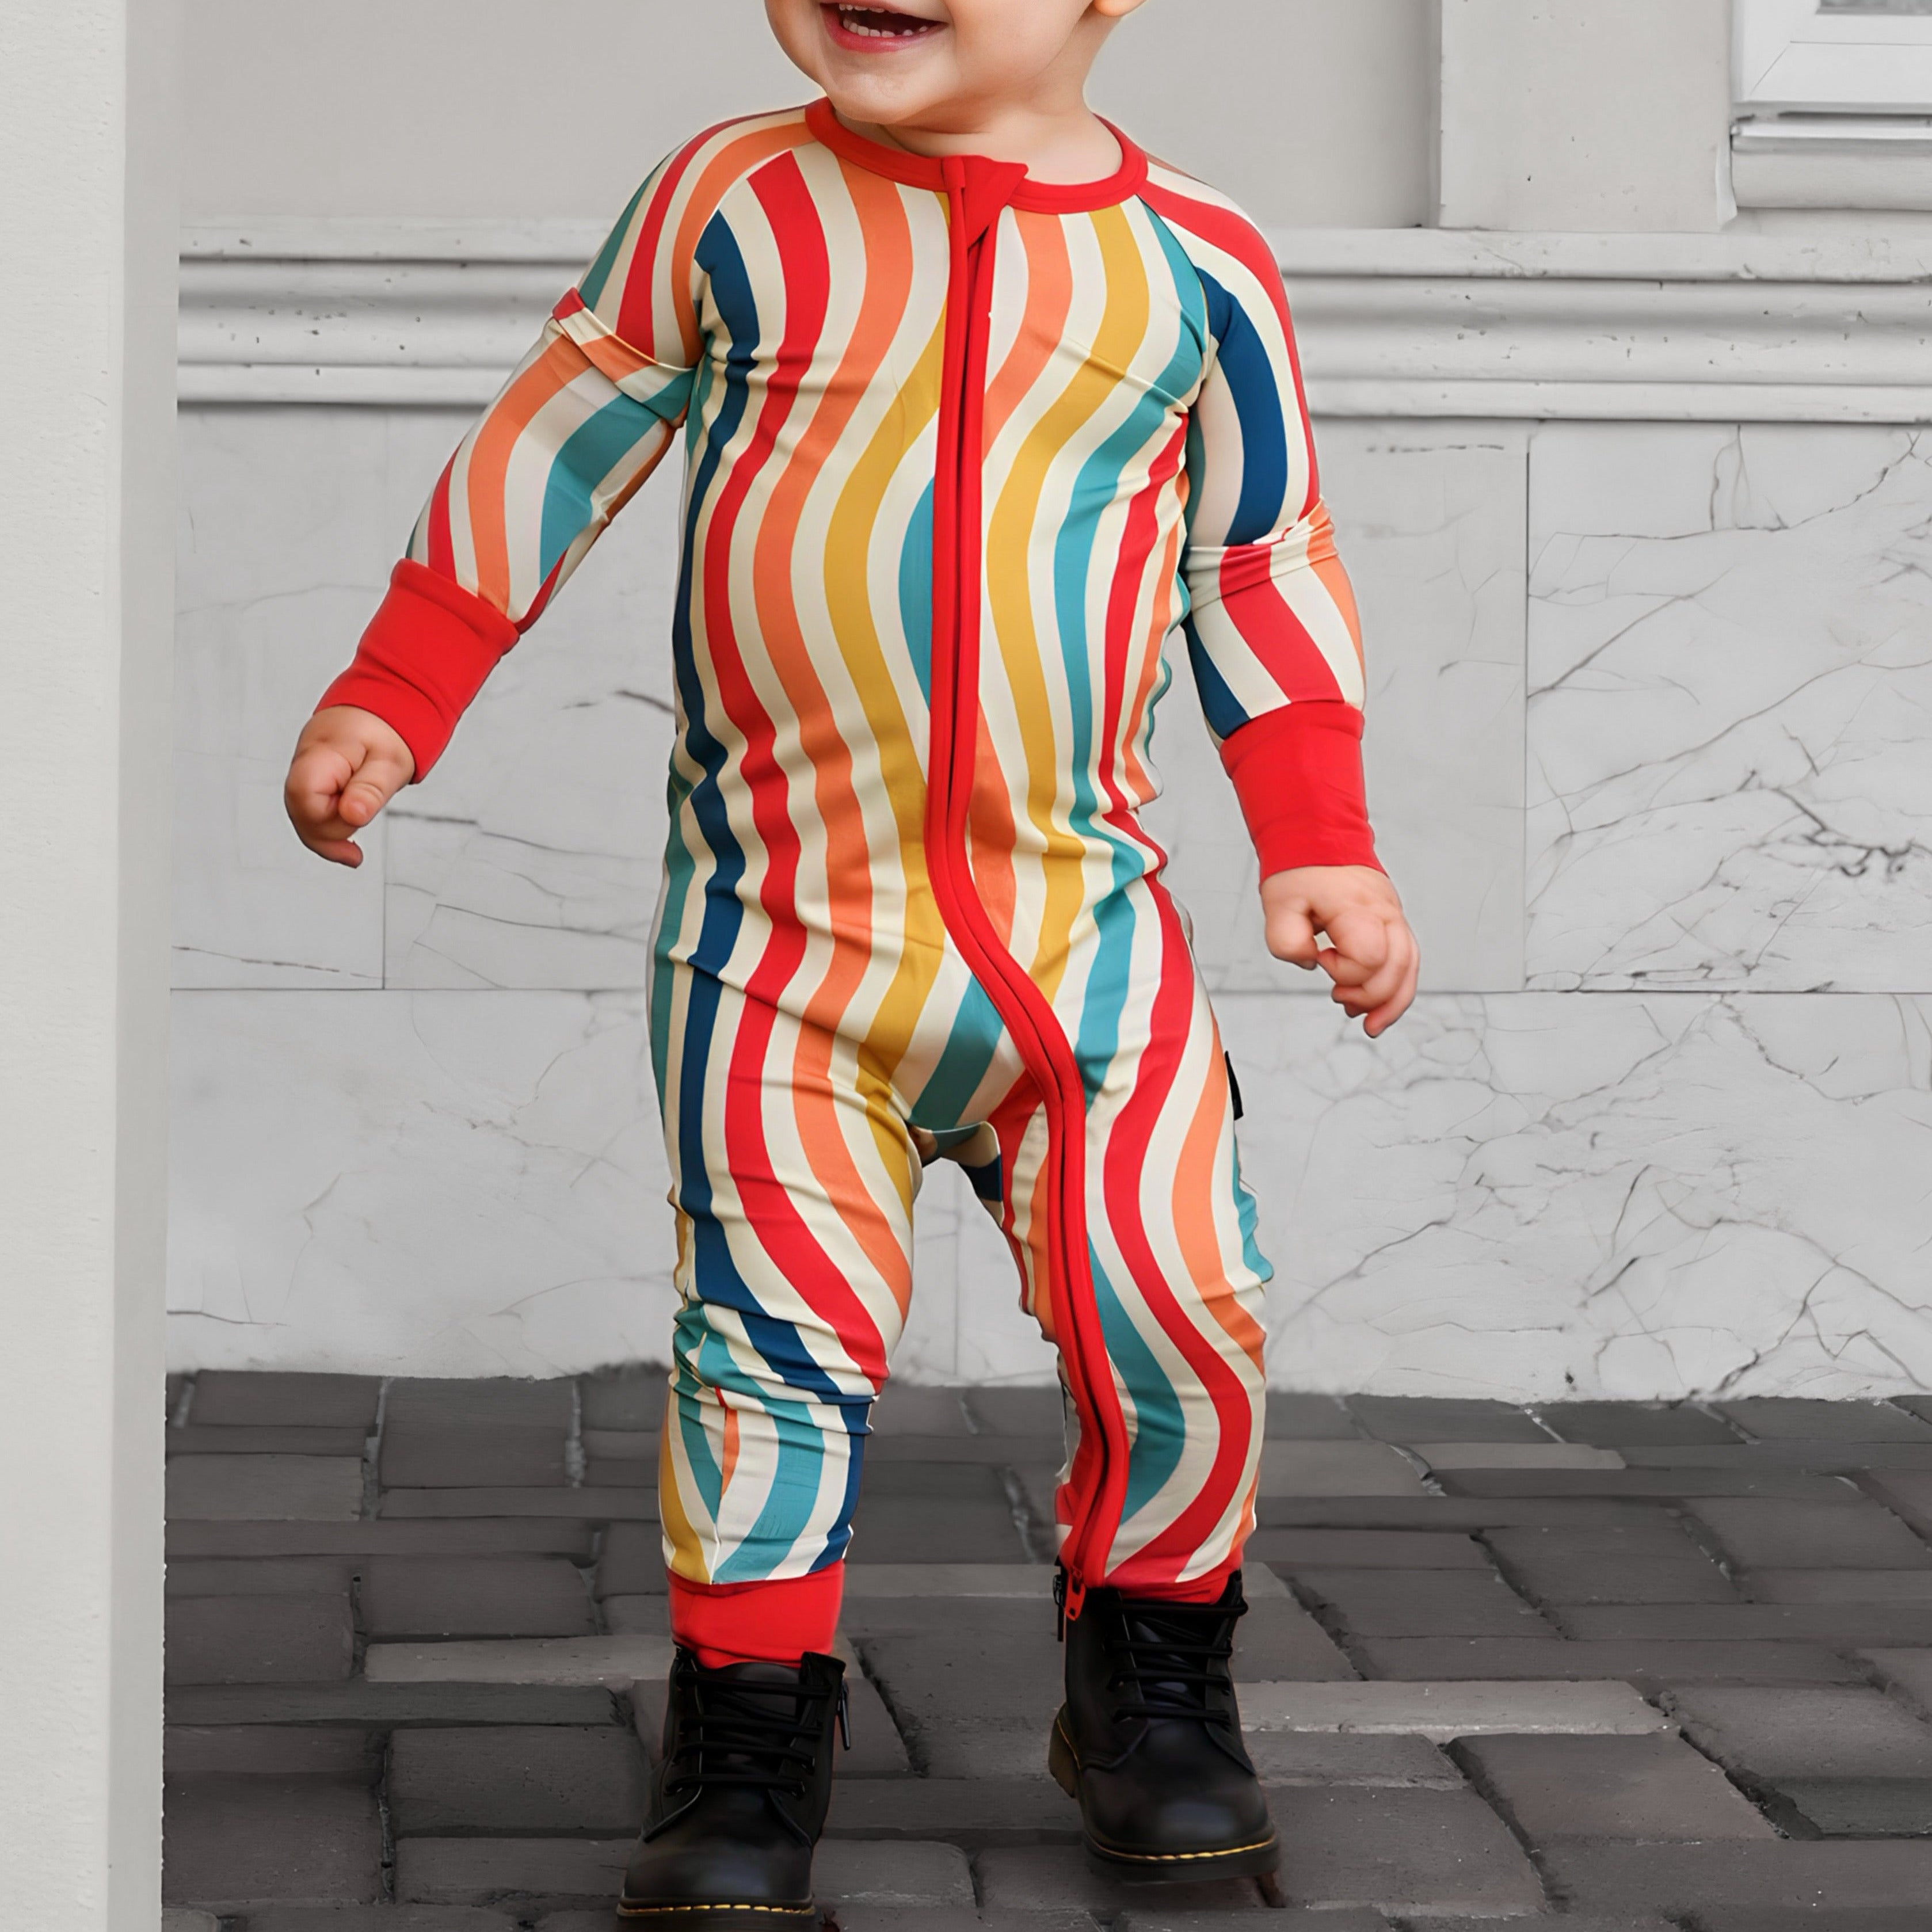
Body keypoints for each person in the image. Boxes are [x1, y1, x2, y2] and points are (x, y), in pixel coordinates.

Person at [284, 0, 1420, 1921]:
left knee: (1183, 1306)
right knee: (768, 1347)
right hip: (778, 942)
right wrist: (400, 687)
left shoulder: (1196, 260)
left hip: (1084, 942)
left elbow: (1260, 556)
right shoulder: (729, 201)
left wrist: (1321, 836)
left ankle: (1152, 1681)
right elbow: (551, 439)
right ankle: (747, 1728)